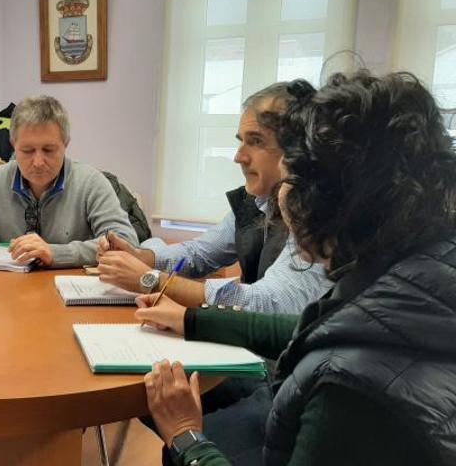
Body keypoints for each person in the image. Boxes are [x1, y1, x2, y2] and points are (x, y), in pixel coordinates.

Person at [140, 71, 456, 466]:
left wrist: (186, 437)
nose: (284, 194)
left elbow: (329, 348)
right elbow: (311, 328)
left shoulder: (348, 390)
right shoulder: (413, 273)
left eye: (294, 175)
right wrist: (191, 318)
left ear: (333, 200)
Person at [97, 82, 330, 314]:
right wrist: (140, 256)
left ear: (298, 150)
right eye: (241, 141)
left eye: (256, 141)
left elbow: (270, 303)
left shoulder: (316, 213)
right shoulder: (255, 202)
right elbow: (199, 254)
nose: (239, 157)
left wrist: (151, 279)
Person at [0, 95, 138, 268]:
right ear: (13, 145)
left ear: (66, 144)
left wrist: (56, 253)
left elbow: (125, 242)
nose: (38, 162)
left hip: (69, 295)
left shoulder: (91, 182)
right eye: (27, 151)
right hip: (9, 296)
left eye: (48, 150)